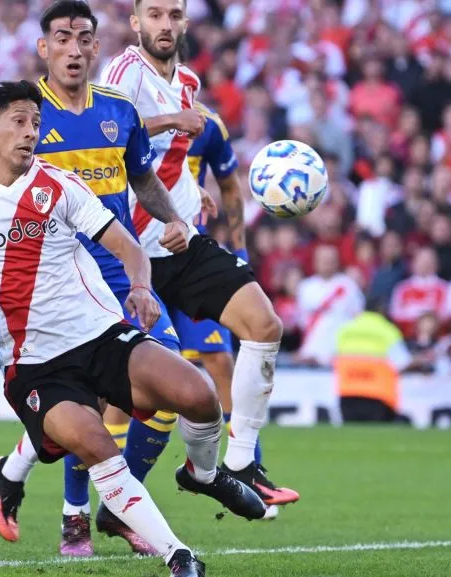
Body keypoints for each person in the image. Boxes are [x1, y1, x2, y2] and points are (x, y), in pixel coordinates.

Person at [0, 80, 270, 577]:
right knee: (97, 444)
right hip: (34, 366)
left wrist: (141, 287)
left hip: (101, 337)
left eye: (36, 123)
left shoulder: (59, 184)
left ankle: (203, 474)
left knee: (199, 394)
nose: (31, 132)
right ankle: (178, 554)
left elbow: (128, 246)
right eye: (19, 122)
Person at [100, 0, 295, 504]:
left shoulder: (188, 80)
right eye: (155, 14)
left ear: (185, 22)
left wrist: (192, 193)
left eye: (174, 15)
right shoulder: (124, 70)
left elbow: (169, 161)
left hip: (182, 240)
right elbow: (108, 131)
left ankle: (242, 460)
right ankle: (36, 477)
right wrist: (172, 119)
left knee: (264, 325)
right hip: (131, 255)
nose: (165, 24)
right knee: (122, 394)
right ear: (136, 22)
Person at [170, 99, 296, 501]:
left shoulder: (207, 125)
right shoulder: (128, 110)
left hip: (188, 252)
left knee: (224, 358)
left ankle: (246, 470)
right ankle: (84, 500)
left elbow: (228, 185)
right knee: (132, 388)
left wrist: (239, 251)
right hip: (137, 256)